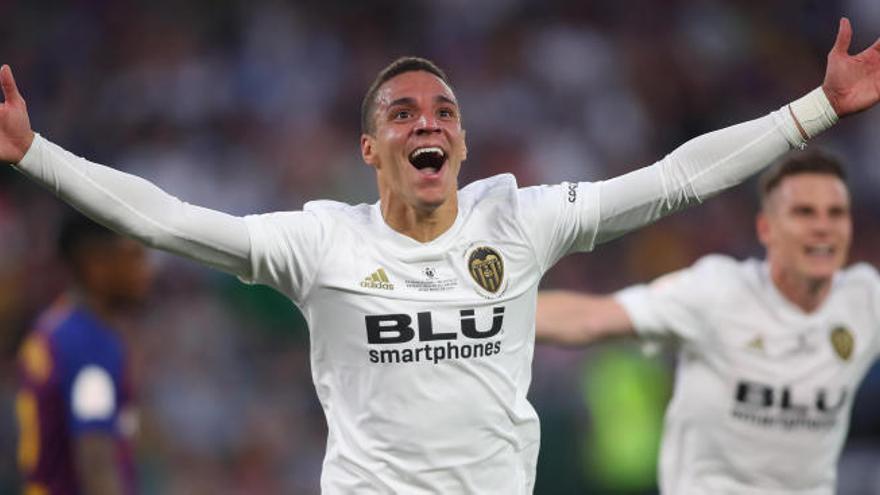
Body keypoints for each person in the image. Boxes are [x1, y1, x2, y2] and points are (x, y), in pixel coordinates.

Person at [1, 17, 878, 494]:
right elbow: (169, 220)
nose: (429, 121)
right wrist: (37, 151)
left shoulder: (519, 219)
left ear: (462, 143)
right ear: (369, 149)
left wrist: (814, 109)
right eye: (404, 113)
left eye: (446, 111)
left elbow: (672, 180)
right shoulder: (322, 240)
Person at [536, 149, 875, 494]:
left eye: (836, 214)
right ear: (767, 229)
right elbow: (591, 318)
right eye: (804, 213)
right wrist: (493, 310)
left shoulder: (863, 301)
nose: (823, 228)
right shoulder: (715, 291)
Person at [15, 214, 154, 495]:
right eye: (134, 256)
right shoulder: (89, 345)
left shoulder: (57, 327)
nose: (147, 270)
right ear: (96, 263)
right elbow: (96, 459)